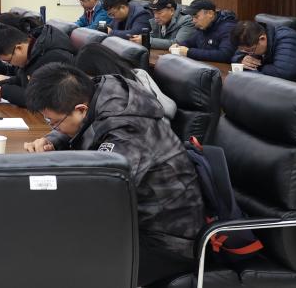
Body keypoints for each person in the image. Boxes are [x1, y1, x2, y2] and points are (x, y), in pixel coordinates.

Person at [23, 64, 204, 287]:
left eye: (54, 122)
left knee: (56, 259)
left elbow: (100, 196)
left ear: (80, 110)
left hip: (165, 241)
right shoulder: (98, 93)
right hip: (132, 222)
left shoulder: (127, 131)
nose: (52, 126)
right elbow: (86, 129)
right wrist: (52, 140)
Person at [0, 22, 75, 107]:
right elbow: (23, 79)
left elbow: (42, 99)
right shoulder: (34, 49)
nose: (9, 64)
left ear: (19, 48)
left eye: (8, 61)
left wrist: (4, 91)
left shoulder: (54, 57)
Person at [73, 43, 176, 119]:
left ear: (99, 70)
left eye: (90, 77)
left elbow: (167, 110)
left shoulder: (136, 78)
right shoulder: (133, 75)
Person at [231, 20, 296, 88]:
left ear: (262, 39)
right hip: (295, 88)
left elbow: (284, 73)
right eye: (245, 51)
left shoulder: (287, 39)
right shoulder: (251, 39)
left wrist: (256, 66)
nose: (249, 54)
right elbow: (235, 54)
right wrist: (241, 59)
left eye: (251, 51)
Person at [169, 0, 237, 63]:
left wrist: (189, 52)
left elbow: (225, 55)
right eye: (192, 17)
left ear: (210, 13)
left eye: (196, 17)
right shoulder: (203, 27)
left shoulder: (228, 27)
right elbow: (190, 42)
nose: (193, 21)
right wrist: (178, 45)